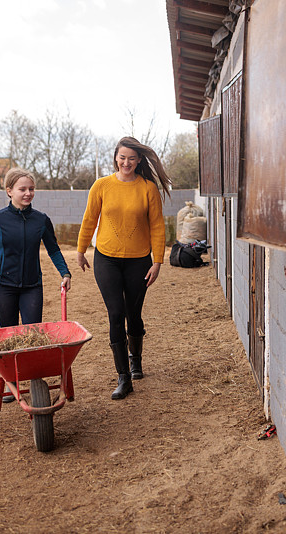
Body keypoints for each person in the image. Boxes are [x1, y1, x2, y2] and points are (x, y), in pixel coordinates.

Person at [76, 136, 170, 400]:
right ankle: (123, 377)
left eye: (131, 158)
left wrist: (158, 261)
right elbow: (89, 219)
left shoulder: (148, 188)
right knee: (116, 313)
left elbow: (157, 227)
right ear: (115, 157)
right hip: (106, 258)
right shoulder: (101, 186)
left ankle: (136, 358)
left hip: (139, 260)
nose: (126, 162)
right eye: (122, 157)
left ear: (138, 160)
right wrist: (81, 250)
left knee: (133, 313)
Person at [0, 168, 72, 401]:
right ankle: (11, 381)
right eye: (22, 189)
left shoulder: (41, 220)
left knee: (31, 335)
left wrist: (65, 272)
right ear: (9, 191)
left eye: (31, 189)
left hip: (32, 285)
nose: (28, 193)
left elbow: (53, 248)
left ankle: (35, 381)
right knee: (8, 334)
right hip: (4, 285)